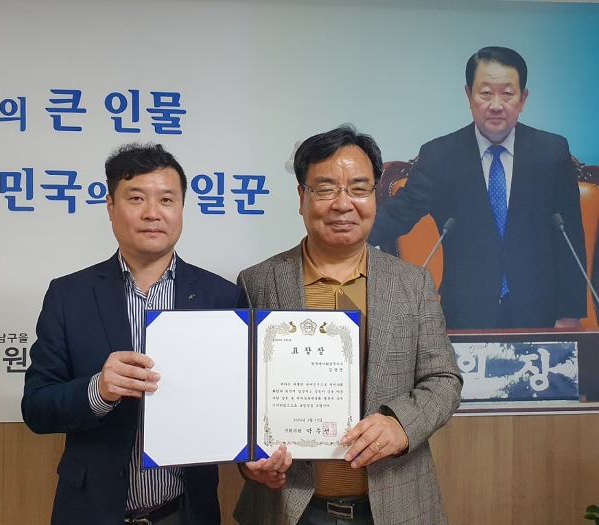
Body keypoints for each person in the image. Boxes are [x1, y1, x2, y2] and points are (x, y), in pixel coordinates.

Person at [233, 125, 463, 525]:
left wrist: (401, 424)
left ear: (374, 196)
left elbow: (444, 379)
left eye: (359, 188)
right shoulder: (258, 281)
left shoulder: (412, 283)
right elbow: (238, 393)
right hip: (290, 507)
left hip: (395, 506)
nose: (343, 204)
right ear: (302, 198)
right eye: (325, 189)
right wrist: (248, 460)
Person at [21, 143, 246, 525]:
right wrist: (97, 390)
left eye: (166, 199)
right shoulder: (69, 295)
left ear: (182, 208)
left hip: (185, 512)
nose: (152, 213)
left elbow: (239, 402)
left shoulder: (221, 296)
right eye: (136, 198)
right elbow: (37, 407)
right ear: (111, 206)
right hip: (92, 513)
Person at [368, 46, 587, 330]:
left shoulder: (551, 152)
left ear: (523, 99)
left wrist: (569, 313)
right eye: (485, 93)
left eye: (507, 93)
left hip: (540, 314)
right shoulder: (440, 156)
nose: (496, 104)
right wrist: (342, 234)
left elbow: (570, 237)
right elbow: (398, 214)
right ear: (469, 95)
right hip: (465, 314)